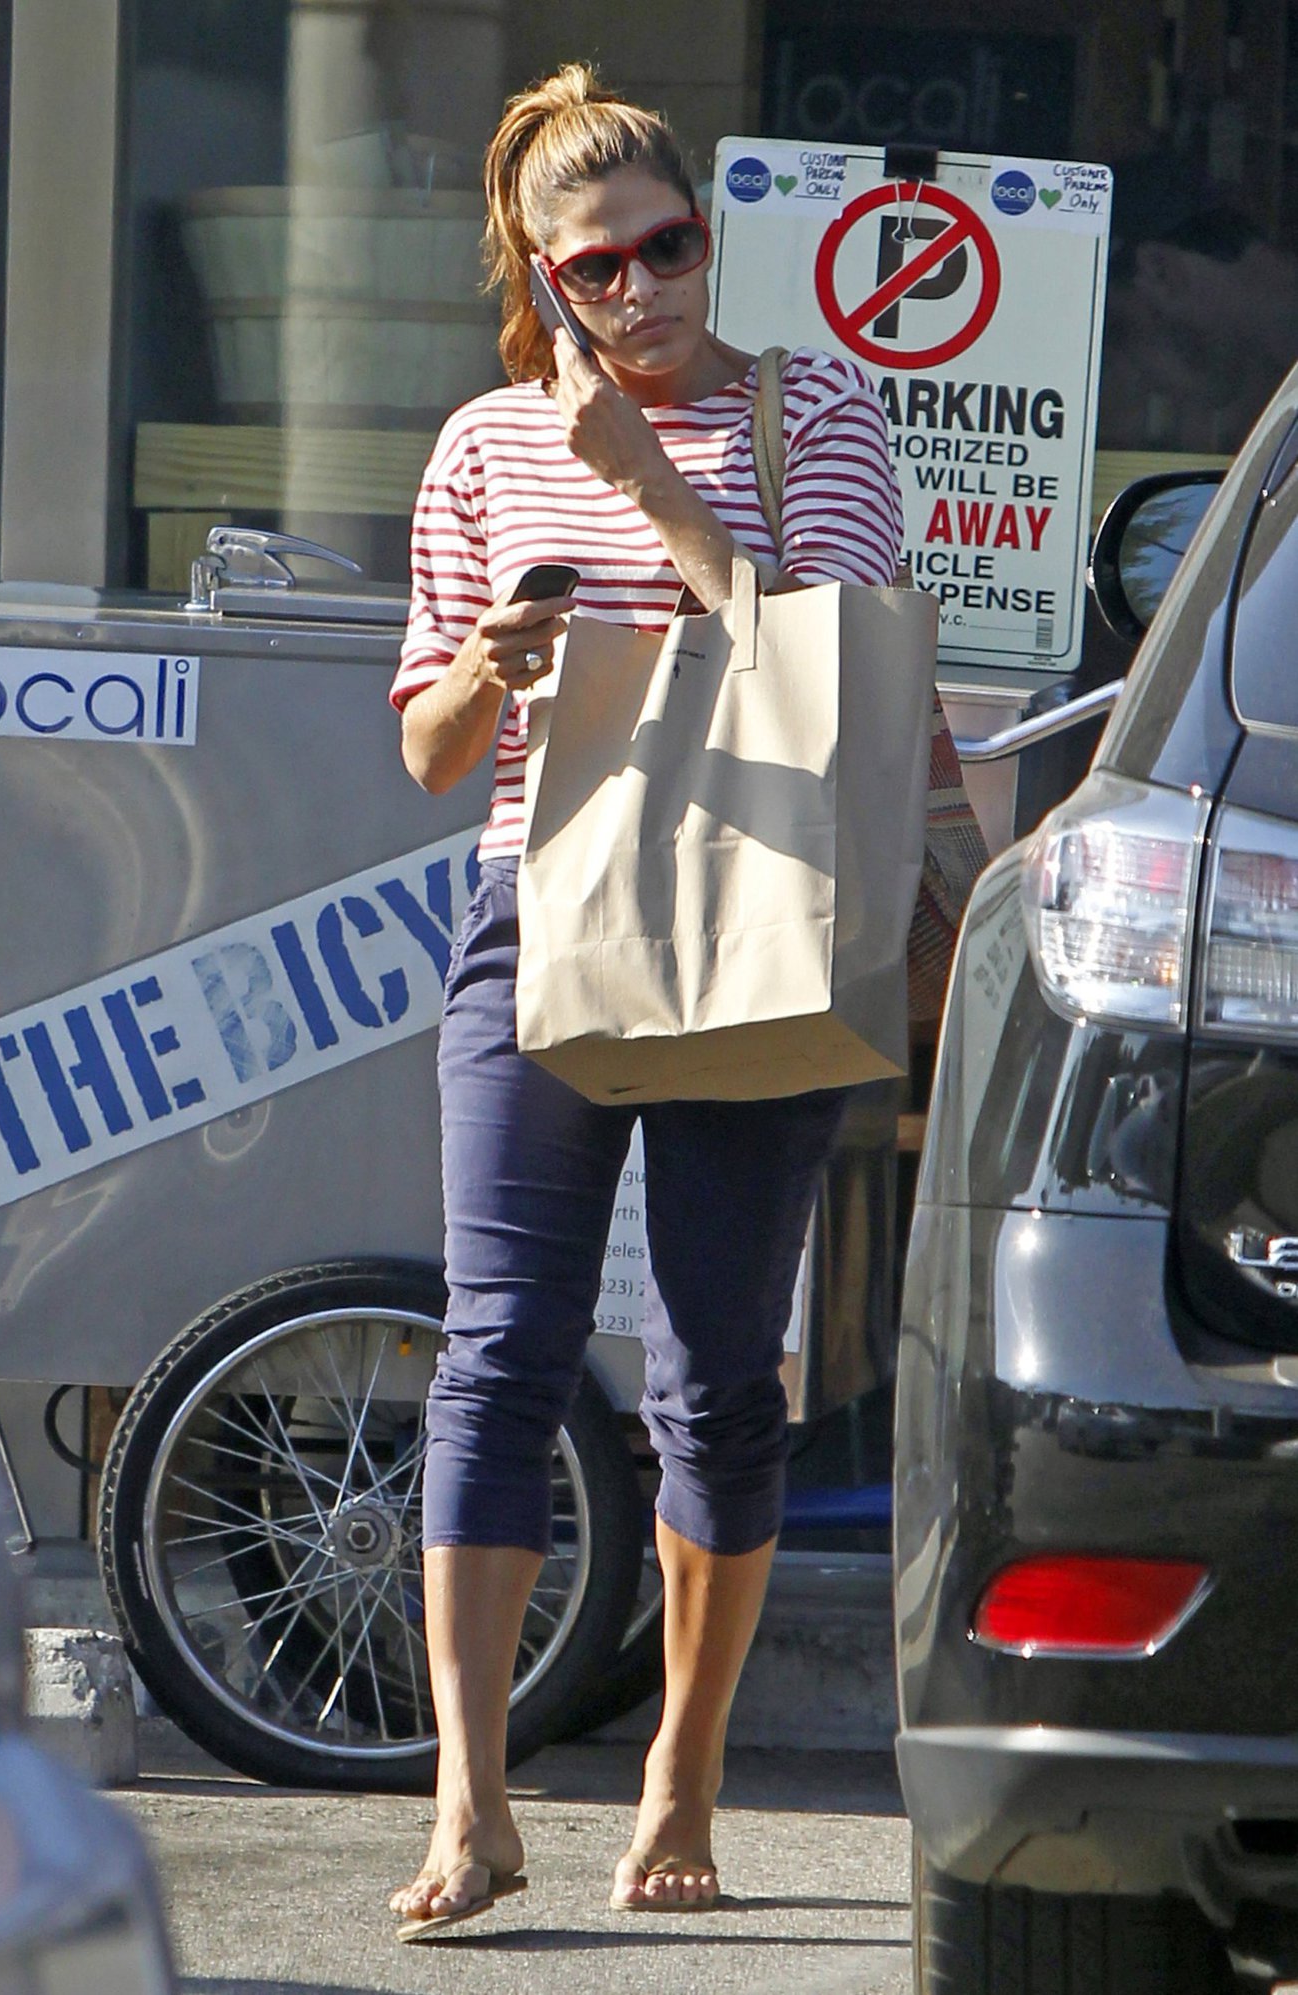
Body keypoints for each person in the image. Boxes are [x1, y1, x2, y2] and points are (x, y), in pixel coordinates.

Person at [387, 63, 903, 1937]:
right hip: (537, 914)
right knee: (496, 1349)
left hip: (756, 928)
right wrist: (496, 666)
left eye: (671, 247)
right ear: (540, 278)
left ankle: (682, 1776)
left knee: (716, 1374)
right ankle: (473, 1796)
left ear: (709, 235)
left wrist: (648, 491)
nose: (645, 292)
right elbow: (436, 753)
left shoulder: (812, 408)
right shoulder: (477, 446)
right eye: (597, 268)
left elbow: (821, 667)